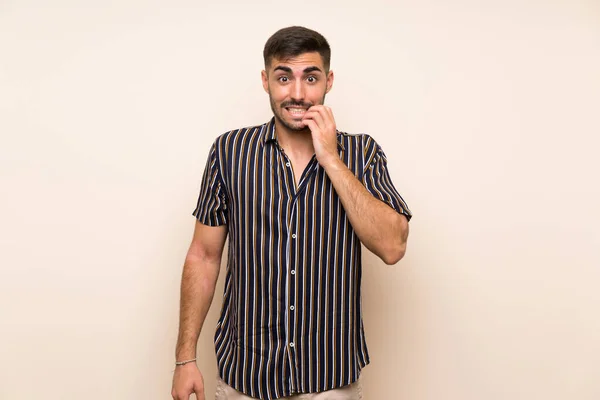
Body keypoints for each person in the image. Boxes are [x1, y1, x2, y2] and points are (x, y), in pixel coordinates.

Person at [171, 26, 412, 400]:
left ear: (328, 81)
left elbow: (393, 246)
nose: (297, 94)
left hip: (330, 380)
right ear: (266, 81)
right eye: (284, 77)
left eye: (310, 78)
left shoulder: (362, 154)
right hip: (246, 378)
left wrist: (330, 158)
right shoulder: (229, 153)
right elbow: (203, 256)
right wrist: (185, 359)